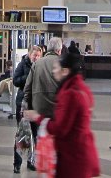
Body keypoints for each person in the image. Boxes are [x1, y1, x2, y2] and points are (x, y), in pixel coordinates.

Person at [24, 52, 100, 178]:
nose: (53, 72)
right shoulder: (81, 88)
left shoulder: (70, 94)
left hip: (72, 158)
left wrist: (38, 117)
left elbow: (60, 128)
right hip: (81, 152)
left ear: (65, 71)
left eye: (56, 68)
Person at [21, 37, 64, 173]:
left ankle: (40, 161)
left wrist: (26, 105)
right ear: (59, 49)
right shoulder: (62, 64)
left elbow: (27, 87)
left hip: (39, 108)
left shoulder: (37, 63)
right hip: (57, 110)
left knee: (40, 136)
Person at [12, 45, 42, 174]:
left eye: (38, 56)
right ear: (29, 55)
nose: (36, 58)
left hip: (36, 105)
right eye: (34, 55)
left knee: (35, 135)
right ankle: (17, 163)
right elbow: (16, 81)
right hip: (23, 104)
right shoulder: (23, 64)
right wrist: (28, 77)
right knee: (22, 133)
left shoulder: (41, 67)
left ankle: (31, 161)